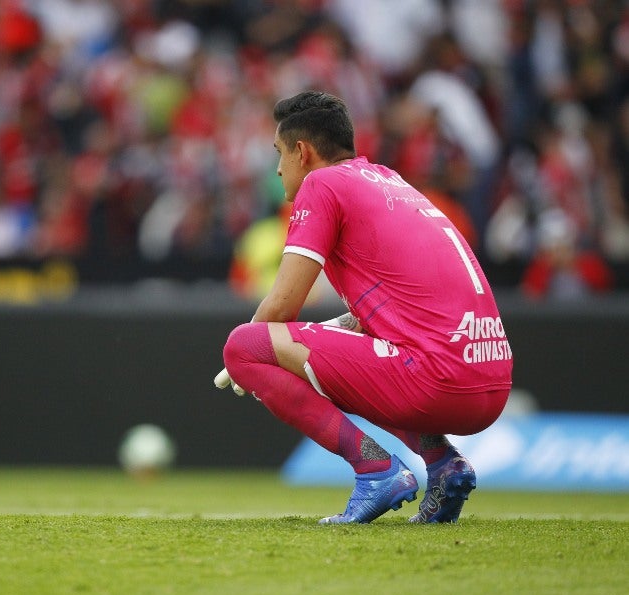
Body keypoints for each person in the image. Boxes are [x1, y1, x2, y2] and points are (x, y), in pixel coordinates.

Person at [215, 92, 513, 524]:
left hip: (437, 381)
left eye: (279, 153)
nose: (278, 168)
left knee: (242, 346)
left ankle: (376, 470)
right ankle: (443, 463)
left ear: (303, 151)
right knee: (348, 352)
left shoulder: (322, 184)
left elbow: (282, 305)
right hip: (491, 381)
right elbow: (374, 319)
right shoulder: (388, 180)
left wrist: (249, 353)